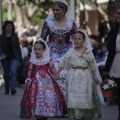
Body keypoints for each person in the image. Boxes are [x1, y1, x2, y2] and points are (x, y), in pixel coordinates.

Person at [55, 30, 105, 120]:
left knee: (85, 95)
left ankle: (85, 115)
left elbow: (92, 65)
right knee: (74, 96)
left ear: (83, 40)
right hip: (73, 76)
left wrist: (95, 76)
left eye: (79, 39)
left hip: (86, 76)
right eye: (75, 39)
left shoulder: (88, 52)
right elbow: (63, 62)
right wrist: (57, 73)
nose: (77, 40)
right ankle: (76, 115)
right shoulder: (71, 51)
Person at [20, 38, 67, 120]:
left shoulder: (47, 60)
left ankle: (46, 112)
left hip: (46, 81)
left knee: (48, 95)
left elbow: (52, 68)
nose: (37, 51)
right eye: (35, 49)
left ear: (44, 50)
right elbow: (29, 72)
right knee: (37, 96)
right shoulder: (32, 61)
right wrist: (28, 80)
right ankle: (38, 113)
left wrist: (56, 74)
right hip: (36, 81)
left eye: (39, 49)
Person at [40, 0, 78, 96]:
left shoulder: (71, 23)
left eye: (58, 10)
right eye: (54, 10)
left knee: (67, 76)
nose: (55, 12)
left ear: (64, 10)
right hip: (52, 53)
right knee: (52, 75)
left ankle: (66, 101)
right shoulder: (48, 22)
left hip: (67, 52)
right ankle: (53, 100)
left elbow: (76, 39)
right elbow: (42, 39)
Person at [104, 7, 120, 120]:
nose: (117, 15)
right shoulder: (115, 30)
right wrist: (106, 68)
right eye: (117, 13)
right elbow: (111, 50)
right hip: (117, 62)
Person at [0, 20, 22, 95]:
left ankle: (13, 88)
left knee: (13, 71)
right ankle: (7, 89)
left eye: (10, 26)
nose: (9, 27)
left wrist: (20, 59)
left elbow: (18, 48)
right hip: (5, 58)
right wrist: (2, 54)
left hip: (14, 57)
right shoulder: (1, 37)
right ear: (5, 27)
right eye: (7, 26)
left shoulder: (15, 36)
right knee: (6, 74)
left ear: (12, 27)